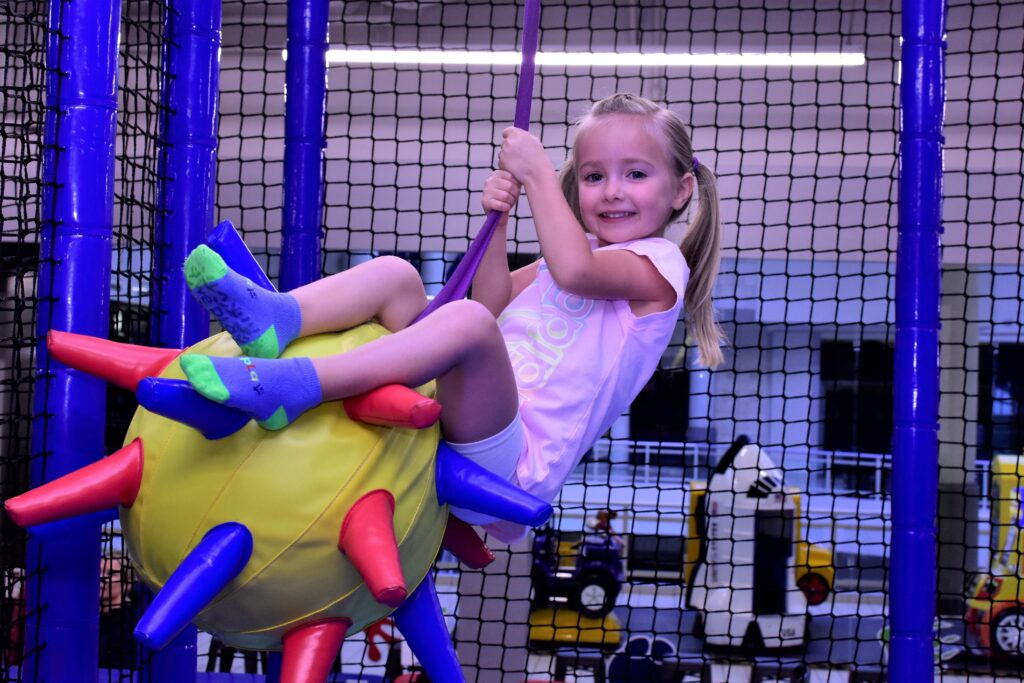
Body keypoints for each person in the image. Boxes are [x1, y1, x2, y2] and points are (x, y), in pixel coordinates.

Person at [177, 92, 724, 542]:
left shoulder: (661, 267)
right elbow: (491, 301)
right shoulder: (575, 250)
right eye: (594, 176)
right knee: (397, 275)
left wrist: (535, 174)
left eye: (635, 174)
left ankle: (299, 386)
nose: (612, 193)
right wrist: (498, 224)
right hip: (465, 407)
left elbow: (568, 276)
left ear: (679, 191)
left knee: (465, 324)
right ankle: (280, 317)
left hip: (512, 464)